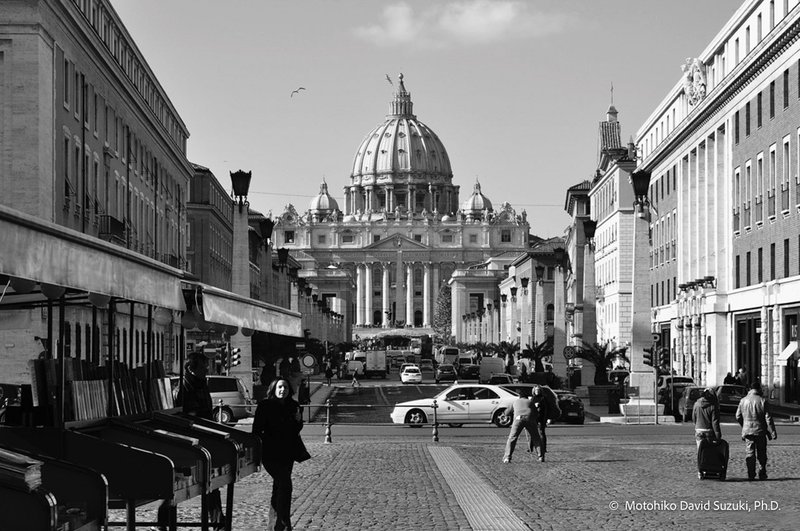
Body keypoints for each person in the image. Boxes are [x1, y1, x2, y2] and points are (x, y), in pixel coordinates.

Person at [159, 352, 223, 530]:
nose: (206, 371)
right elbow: (188, 418)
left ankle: (218, 521)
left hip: (205, 438)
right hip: (190, 442)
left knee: (210, 482)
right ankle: (164, 521)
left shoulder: (201, 385)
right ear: (191, 369)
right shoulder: (184, 388)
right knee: (178, 485)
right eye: (203, 368)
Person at [252, 378, 309, 531]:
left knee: (279, 488)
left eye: (285, 387)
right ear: (273, 389)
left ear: (289, 390)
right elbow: (256, 430)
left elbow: (295, 430)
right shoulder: (265, 405)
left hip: (287, 452)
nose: (282, 390)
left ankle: (273, 526)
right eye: (279, 387)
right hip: (270, 453)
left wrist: (298, 421)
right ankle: (283, 525)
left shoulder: (293, 405)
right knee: (285, 485)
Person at [735, 381, 777, 481]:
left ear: (750, 389)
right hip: (760, 431)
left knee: (750, 453)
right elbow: (768, 418)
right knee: (762, 452)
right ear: (758, 389)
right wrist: (773, 431)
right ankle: (762, 472)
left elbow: (738, 416)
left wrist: (744, 425)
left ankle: (751, 473)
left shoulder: (743, 400)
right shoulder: (762, 400)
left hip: (748, 431)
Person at [502, 392, 541, 463]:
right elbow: (536, 413)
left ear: (519, 397)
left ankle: (507, 457)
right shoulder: (530, 402)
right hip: (529, 418)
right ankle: (540, 456)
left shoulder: (515, 402)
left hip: (518, 419)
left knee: (512, 437)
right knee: (536, 437)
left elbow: (507, 413)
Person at [530, 385, 550, 462]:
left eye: (538, 390)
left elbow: (546, 410)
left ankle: (544, 448)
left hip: (542, 418)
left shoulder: (543, 398)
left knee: (542, 433)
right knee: (532, 432)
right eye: (536, 390)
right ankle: (531, 447)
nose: (537, 391)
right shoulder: (533, 398)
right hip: (534, 418)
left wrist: (547, 419)